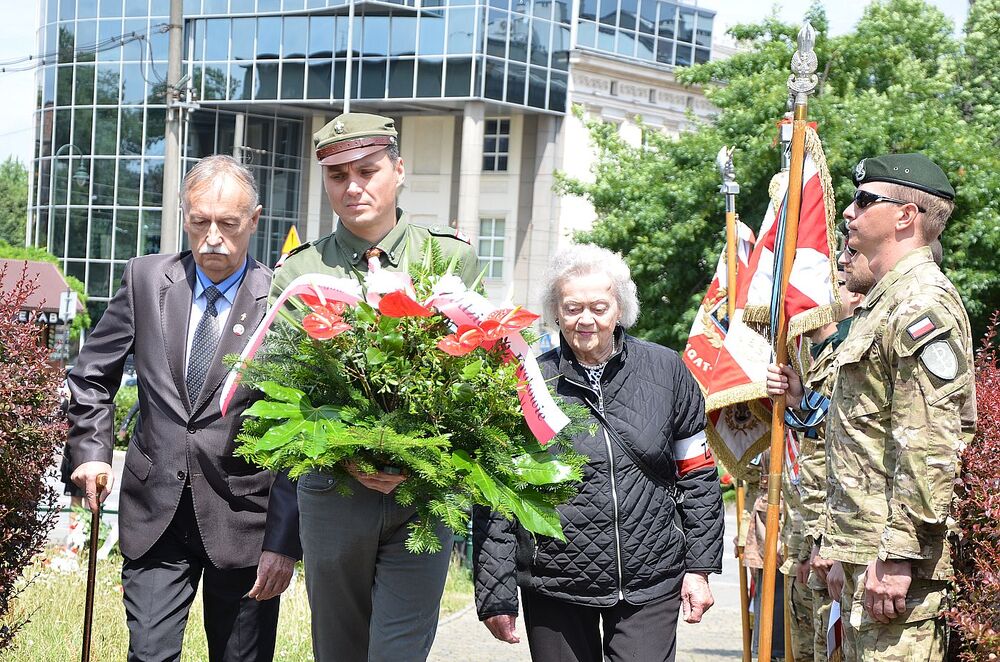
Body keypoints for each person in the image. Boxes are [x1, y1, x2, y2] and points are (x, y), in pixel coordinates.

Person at [68, 155, 301, 662]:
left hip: (244, 523)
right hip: (155, 514)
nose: (212, 236)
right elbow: (91, 375)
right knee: (149, 656)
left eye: (228, 223)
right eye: (199, 222)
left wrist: (283, 540)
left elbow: (299, 430)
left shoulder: (281, 302)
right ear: (184, 216)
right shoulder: (146, 279)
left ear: (255, 221)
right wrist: (92, 450)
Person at [271, 112, 479, 662]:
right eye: (338, 177)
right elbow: (286, 386)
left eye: (367, 170)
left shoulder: (448, 258)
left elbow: (477, 372)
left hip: (424, 494)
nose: (353, 187)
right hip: (335, 491)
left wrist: (422, 454)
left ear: (399, 170)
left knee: (399, 653)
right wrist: (347, 456)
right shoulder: (300, 272)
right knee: (338, 650)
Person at [473, 243, 725, 662]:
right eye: (572, 308)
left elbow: (696, 474)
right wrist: (496, 593)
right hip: (555, 580)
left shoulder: (666, 370)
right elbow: (499, 494)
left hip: (652, 577)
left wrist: (699, 568)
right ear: (556, 312)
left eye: (599, 307)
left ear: (620, 309)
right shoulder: (528, 382)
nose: (585, 320)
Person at [824, 154, 974, 660]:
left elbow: (930, 441)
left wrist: (899, 553)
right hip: (866, 553)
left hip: (894, 566)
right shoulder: (886, 300)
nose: (849, 211)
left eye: (865, 201)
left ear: (906, 216)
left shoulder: (920, 303)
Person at [766, 248, 874, 661]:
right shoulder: (817, 356)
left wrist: (826, 538)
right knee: (809, 645)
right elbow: (823, 434)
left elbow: (850, 452)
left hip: (837, 533)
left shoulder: (851, 351)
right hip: (808, 528)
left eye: (837, 284)